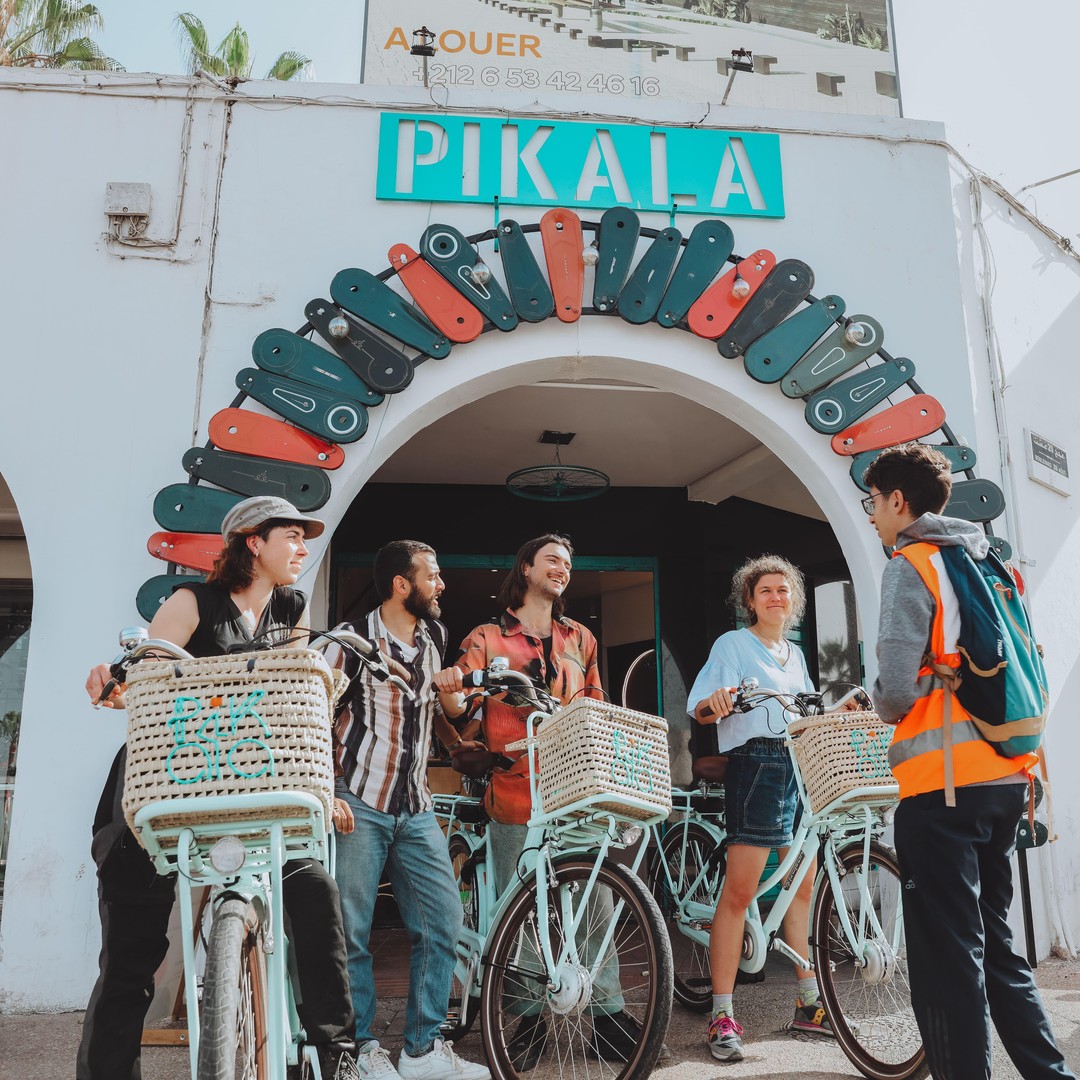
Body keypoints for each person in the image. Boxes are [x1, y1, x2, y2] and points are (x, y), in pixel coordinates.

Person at [81, 495, 360, 1080]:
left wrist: (318, 787)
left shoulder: (289, 608)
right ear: (253, 543)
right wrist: (114, 678)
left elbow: (291, 713)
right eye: (292, 535)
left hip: (251, 792)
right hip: (163, 788)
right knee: (130, 962)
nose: (304, 547)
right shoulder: (192, 603)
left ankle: (336, 1056)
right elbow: (147, 674)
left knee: (313, 890)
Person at [865, 442, 1075, 1080]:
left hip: (942, 789)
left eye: (874, 504)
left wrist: (872, 702)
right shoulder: (985, 561)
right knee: (999, 950)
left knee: (949, 960)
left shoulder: (913, 564)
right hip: (1006, 780)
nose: (873, 516)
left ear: (900, 502)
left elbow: (897, 690)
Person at [434, 534, 648, 1071]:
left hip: (576, 790)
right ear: (526, 568)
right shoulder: (487, 636)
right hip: (515, 792)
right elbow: (459, 707)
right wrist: (450, 691)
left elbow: (596, 708)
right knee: (520, 909)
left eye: (569, 564)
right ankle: (526, 1018)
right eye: (552, 560)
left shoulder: (581, 639)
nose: (563, 569)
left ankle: (607, 1011)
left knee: (598, 899)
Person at [326, 540, 490, 1080]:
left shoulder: (435, 636)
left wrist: (453, 698)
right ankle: (362, 1047)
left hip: (415, 805)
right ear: (402, 584)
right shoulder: (348, 643)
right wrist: (329, 792)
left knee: (441, 921)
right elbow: (312, 718)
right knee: (351, 929)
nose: (441, 584)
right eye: (433, 575)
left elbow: (445, 709)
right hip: (361, 802)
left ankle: (421, 1050)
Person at [686, 554, 831, 1063]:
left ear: (794, 602)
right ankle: (722, 1013)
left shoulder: (794, 654)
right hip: (757, 764)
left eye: (783, 591)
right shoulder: (733, 645)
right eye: (765, 590)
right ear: (749, 600)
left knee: (802, 886)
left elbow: (806, 708)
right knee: (740, 890)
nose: (775, 597)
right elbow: (701, 705)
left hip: (798, 764)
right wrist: (719, 702)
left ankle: (810, 1002)